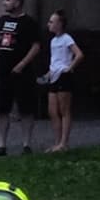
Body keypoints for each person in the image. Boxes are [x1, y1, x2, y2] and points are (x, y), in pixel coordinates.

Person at [0, 0, 37, 154]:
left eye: (8, 0)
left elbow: (36, 46)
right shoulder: (2, 21)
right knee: (2, 108)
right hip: (3, 71)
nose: (4, 3)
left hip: (23, 73)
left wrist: (21, 65)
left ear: (18, 3)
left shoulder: (29, 23)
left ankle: (26, 145)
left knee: (26, 108)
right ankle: (1, 145)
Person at [42, 13, 84, 152]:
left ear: (60, 24)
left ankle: (64, 143)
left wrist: (69, 68)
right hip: (53, 76)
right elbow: (55, 60)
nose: (49, 24)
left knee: (64, 110)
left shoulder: (67, 39)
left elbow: (79, 55)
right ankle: (57, 142)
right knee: (52, 111)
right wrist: (48, 74)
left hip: (63, 76)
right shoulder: (53, 41)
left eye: (51, 21)